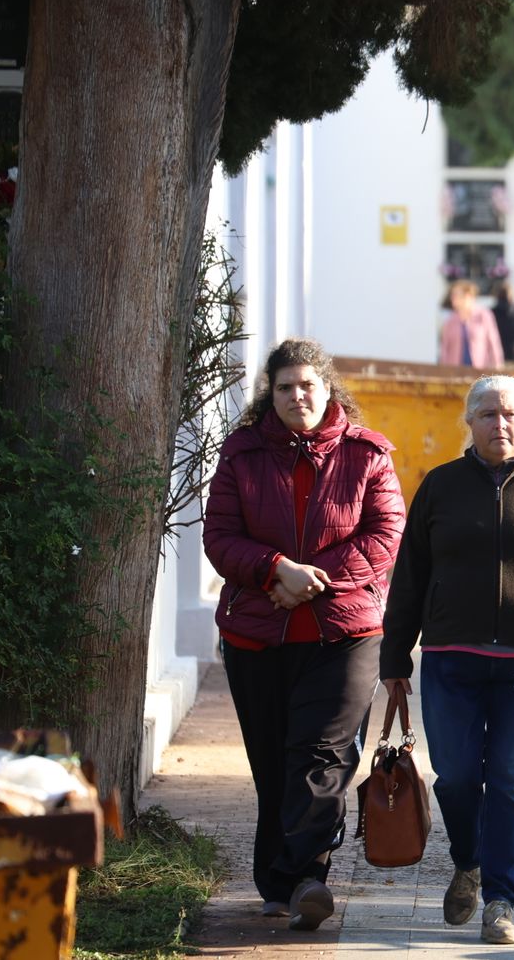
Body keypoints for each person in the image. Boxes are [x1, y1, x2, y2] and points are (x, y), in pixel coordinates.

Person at [380, 375, 514, 945]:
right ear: (468, 422)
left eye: (509, 414)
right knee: (454, 775)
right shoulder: (441, 486)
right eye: (486, 414)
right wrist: (394, 656)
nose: (498, 424)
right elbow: (410, 575)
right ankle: (468, 860)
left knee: (509, 780)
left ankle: (500, 899)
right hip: (452, 658)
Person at [202, 338, 406, 930]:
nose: (298, 396)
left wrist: (312, 581)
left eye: (308, 385)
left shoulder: (368, 454)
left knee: (321, 758)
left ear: (327, 389)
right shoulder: (241, 454)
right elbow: (221, 537)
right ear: (273, 393)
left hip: (343, 634)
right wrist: (274, 571)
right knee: (273, 764)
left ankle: (307, 879)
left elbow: (384, 532)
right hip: (258, 636)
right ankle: (278, 881)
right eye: (286, 387)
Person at [439, 280, 505, 368]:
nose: (453, 298)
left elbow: (493, 342)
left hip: (479, 370)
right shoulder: (450, 320)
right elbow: (444, 348)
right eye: (452, 295)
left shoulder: (483, 315)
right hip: (455, 371)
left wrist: (497, 365)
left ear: (468, 296)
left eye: (456, 295)